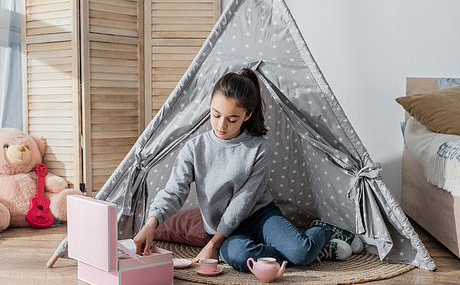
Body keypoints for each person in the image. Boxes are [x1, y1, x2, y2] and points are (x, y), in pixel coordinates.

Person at [133, 68, 363, 272]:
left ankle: (322, 233)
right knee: (239, 256)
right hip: (226, 230)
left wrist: (213, 245)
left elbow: (243, 201)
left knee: (301, 252)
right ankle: (311, 252)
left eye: (232, 119)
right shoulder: (194, 148)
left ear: (247, 115)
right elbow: (174, 191)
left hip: (259, 215)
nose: (221, 125)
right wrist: (151, 224)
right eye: (215, 115)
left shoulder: (259, 148)